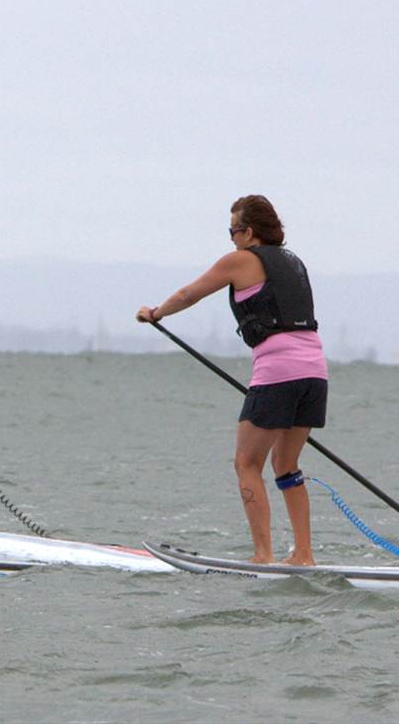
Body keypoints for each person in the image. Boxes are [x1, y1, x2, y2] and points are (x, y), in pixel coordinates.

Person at [137, 194, 323, 566]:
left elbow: (189, 294)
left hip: (278, 372)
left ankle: (263, 556)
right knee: (286, 465)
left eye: (233, 230)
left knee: (246, 463)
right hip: (315, 372)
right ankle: (304, 555)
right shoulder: (294, 262)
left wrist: (156, 313)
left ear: (249, 232)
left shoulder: (240, 260)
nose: (232, 238)